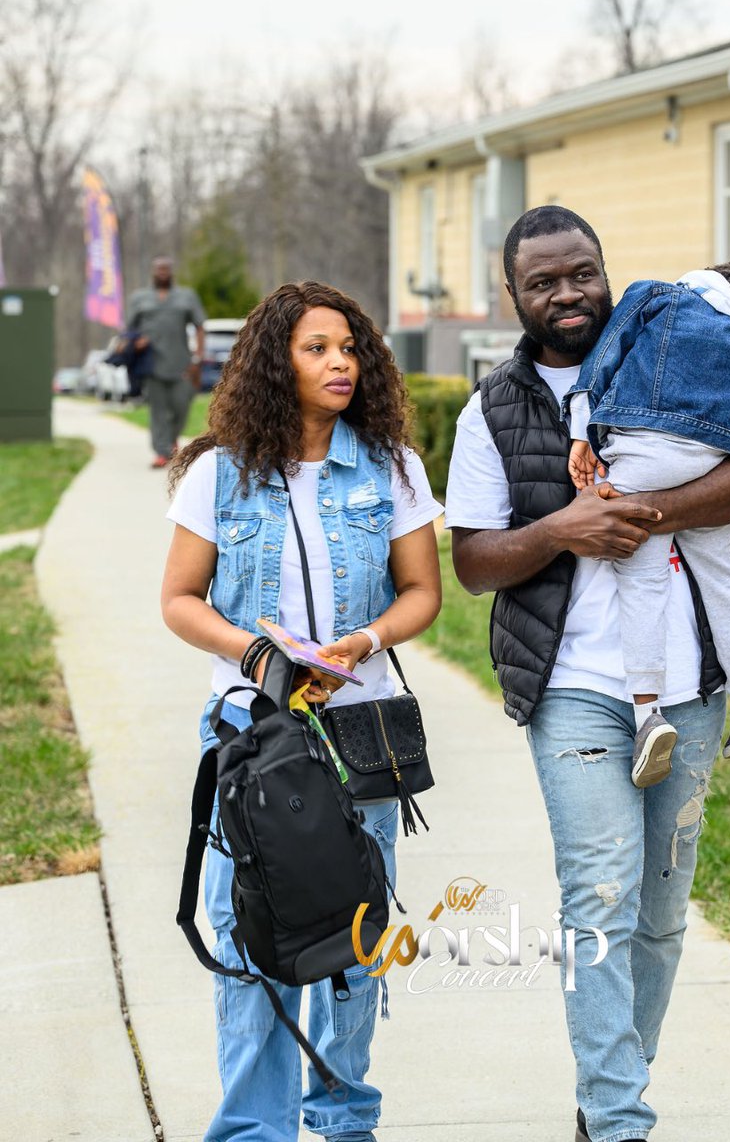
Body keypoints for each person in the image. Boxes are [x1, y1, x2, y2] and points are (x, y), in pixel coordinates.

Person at [444, 205, 730, 1142]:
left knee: (662, 915)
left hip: (692, 684)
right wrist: (564, 529)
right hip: (573, 686)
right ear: (511, 293)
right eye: (544, 281)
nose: (568, 294)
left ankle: (610, 1097)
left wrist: (649, 509)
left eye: (582, 273)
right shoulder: (492, 410)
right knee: (600, 894)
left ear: (606, 272)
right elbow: (473, 561)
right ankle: (621, 1118)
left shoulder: (667, 356)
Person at [160, 281, 442, 1142]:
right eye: (317, 348)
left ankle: (344, 1114)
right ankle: (254, 1128)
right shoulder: (219, 472)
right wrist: (257, 657)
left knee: (356, 936)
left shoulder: (391, 466)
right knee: (252, 935)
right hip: (254, 734)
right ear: (275, 362)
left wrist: (361, 643)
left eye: (350, 347)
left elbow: (423, 592)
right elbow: (179, 600)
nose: (341, 363)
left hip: (361, 733)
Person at [567, 263, 730, 788]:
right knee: (724, 584)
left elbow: (604, 358)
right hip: (715, 465)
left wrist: (583, 432)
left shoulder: (662, 295)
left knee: (641, 582)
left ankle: (648, 715)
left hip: (646, 452)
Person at [126, 256, 206, 468]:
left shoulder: (186, 296)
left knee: (182, 405)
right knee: (158, 411)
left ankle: (172, 440)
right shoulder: (140, 298)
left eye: (166, 269)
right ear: (153, 272)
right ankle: (162, 452)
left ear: (171, 272)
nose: (163, 273)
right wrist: (136, 342)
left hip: (181, 363)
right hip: (151, 364)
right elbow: (128, 330)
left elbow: (200, 326)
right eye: (159, 269)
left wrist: (198, 356)